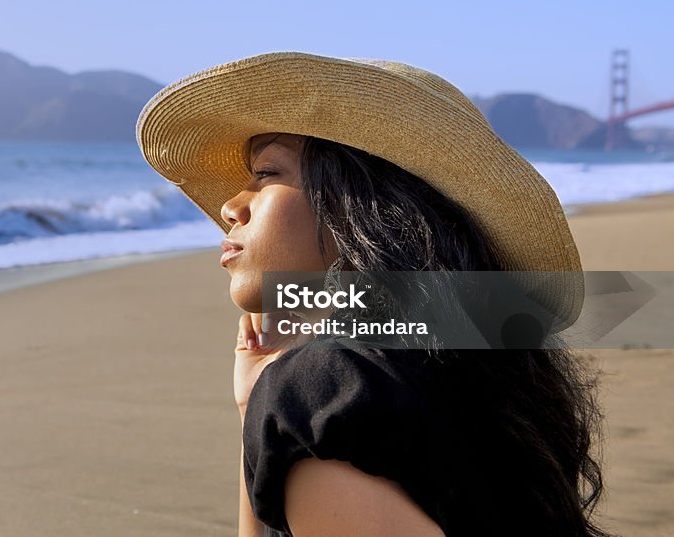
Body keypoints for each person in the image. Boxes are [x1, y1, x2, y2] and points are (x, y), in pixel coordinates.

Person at [136, 53, 610, 536]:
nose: (231, 206)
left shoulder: (327, 396)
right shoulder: (480, 378)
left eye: (265, 174)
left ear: (358, 203)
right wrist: (259, 412)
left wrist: (292, 407)